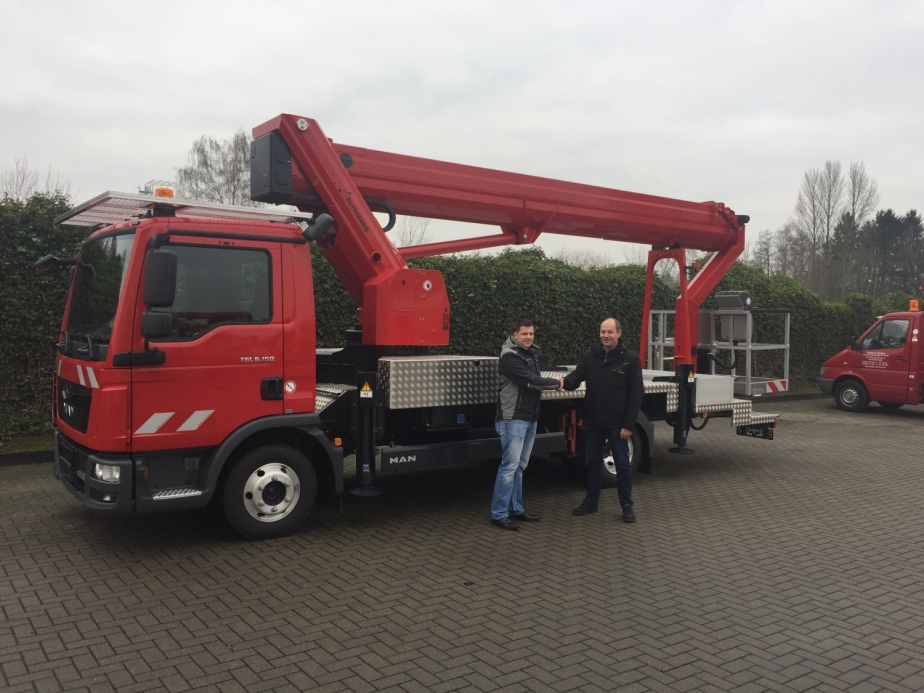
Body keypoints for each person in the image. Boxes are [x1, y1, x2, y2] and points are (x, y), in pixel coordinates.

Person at [563, 317, 643, 523]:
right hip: (593, 422)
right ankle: (591, 501)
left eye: (610, 332)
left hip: (618, 425)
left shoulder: (630, 359)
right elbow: (576, 377)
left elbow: (636, 394)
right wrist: (561, 382)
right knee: (593, 463)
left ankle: (627, 506)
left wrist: (628, 424)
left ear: (619, 333)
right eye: (602, 332)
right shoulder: (591, 356)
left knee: (623, 465)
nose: (605, 336)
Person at [491, 319, 563, 530]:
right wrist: (556, 384)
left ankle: (516, 509)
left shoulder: (530, 353)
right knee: (509, 466)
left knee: (520, 466)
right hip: (513, 418)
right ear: (515, 334)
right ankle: (498, 514)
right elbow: (530, 381)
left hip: (529, 417)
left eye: (531, 334)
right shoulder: (509, 356)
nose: (529, 337)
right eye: (525, 334)